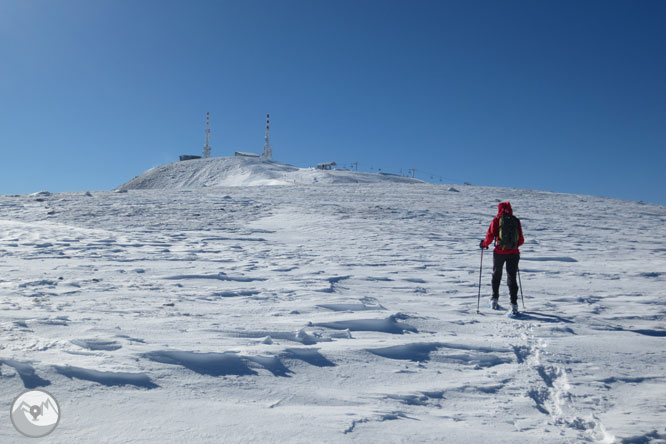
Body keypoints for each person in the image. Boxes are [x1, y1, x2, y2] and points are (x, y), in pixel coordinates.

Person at [480, 202, 524, 314]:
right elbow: (521, 240)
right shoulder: (516, 220)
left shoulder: (497, 219)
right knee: (512, 277)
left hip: (499, 252)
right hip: (514, 253)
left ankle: (494, 300)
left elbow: (490, 236)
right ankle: (514, 305)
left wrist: (484, 244)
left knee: (496, 274)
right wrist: (513, 247)